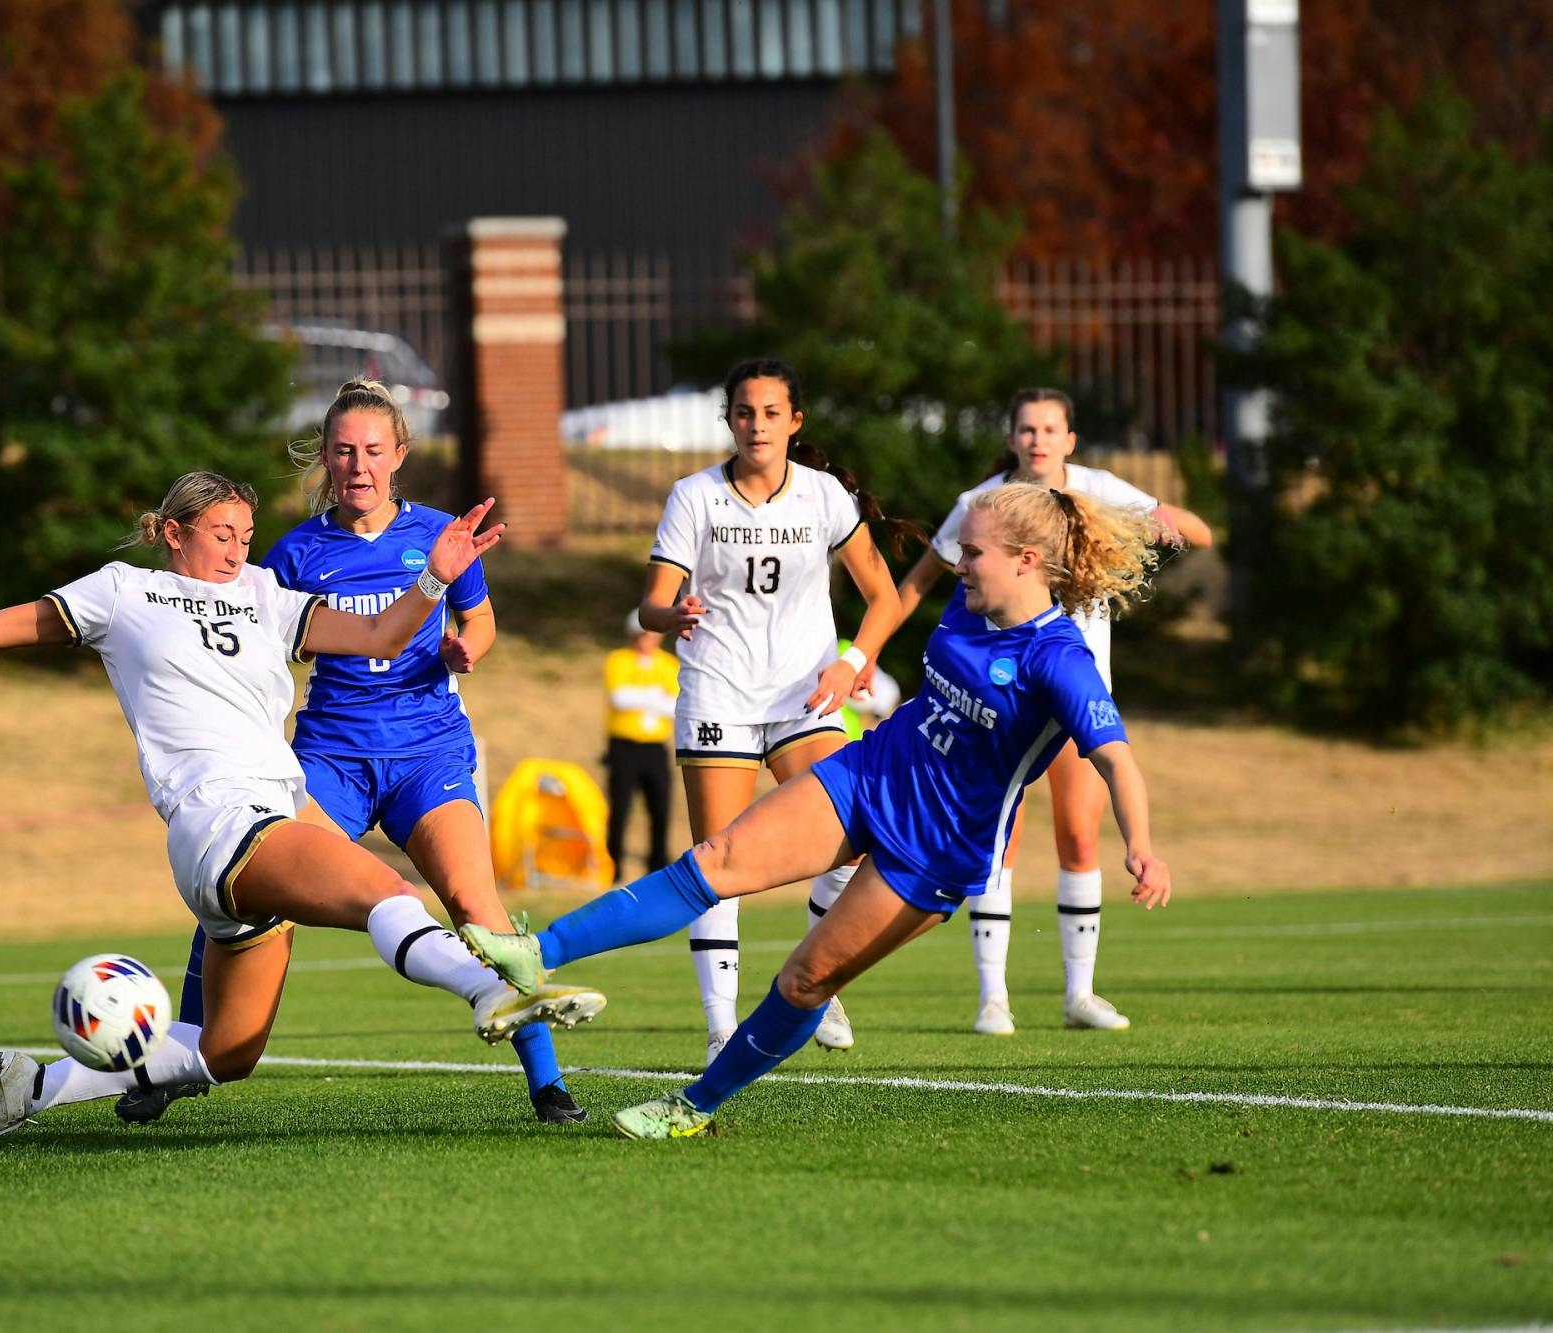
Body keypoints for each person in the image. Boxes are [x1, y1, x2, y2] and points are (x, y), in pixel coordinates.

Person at [0, 471, 607, 1156]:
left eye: (246, 535)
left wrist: (435, 574)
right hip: (218, 820)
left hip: (268, 816)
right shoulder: (121, 593)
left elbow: (385, 634)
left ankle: (32, 1087)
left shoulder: (268, 597)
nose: (238, 550)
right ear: (172, 531)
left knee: (224, 1052)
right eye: (220, 535)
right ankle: (485, 994)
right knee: (381, 890)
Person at [460, 483, 1173, 1139]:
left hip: (936, 850)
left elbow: (1115, 757)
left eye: (975, 552)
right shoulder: (969, 603)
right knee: (713, 861)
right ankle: (537, 954)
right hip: (868, 774)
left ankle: (693, 1105)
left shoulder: (1059, 658)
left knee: (806, 980)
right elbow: (897, 603)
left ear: (1026, 561)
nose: (960, 563)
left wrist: (1140, 842)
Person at [126, 379, 587, 1129]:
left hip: (427, 755)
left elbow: (482, 620)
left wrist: (468, 646)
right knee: (246, 888)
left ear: (400, 454)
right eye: (343, 451)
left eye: (373, 449)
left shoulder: (440, 534)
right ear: (328, 460)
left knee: (475, 905)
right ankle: (180, 1059)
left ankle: (547, 1081)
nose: (358, 464)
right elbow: (249, 630)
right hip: (331, 759)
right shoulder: (295, 552)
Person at [894, 388, 1212, 1036]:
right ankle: (993, 998)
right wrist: (860, 654)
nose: (1037, 439)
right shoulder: (982, 507)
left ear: (1070, 440)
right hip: (997, 697)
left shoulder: (1096, 490)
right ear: (1011, 438)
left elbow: (1197, 531)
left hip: (1070, 695)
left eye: (1050, 428)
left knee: (1079, 836)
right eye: (1026, 428)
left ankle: (1080, 994)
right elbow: (919, 582)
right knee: (996, 842)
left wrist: (1141, 525)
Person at [642, 357, 908, 1065]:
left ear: (795, 421)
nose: (756, 424)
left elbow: (886, 597)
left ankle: (815, 981)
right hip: (719, 691)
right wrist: (673, 613)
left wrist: (854, 662)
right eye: (743, 412)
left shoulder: (822, 496)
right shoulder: (694, 496)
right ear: (728, 420)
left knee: (853, 841)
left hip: (804, 697)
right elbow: (651, 602)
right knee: (717, 859)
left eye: (770, 412)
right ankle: (720, 1027)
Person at [603, 607, 678, 884]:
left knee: (660, 809)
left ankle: (658, 866)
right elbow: (620, 698)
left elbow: (674, 705)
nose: (646, 639)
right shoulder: (619, 660)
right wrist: (655, 697)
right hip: (623, 746)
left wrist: (644, 698)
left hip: (655, 747)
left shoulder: (669, 664)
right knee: (620, 809)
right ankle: (613, 867)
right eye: (642, 634)